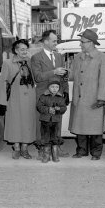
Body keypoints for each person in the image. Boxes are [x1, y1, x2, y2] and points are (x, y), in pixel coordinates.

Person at [69, 28, 105, 160]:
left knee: (95, 128)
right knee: (80, 126)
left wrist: (101, 98)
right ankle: (81, 151)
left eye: (83, 42)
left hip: (94, 99)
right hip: (79, 98)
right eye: (81, 42)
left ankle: (96, 153)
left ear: (92, 43)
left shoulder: (103, 57)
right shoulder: (77, 57)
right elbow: (72, 76)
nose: (80, 44)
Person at [31, 30, 70, 159]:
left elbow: (64, 77)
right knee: (43, 124)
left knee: (57, 121)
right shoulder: (36, 57)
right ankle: (42, 149)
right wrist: (54, 71)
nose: (56, 43)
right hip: (43, 96)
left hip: (57, 96)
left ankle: (56, 148)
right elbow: (37, 77)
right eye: (54, 41)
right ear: (46, 41)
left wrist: (65, 92)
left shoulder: (59, 56)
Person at [0, 39, 36, 159]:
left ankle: (25, 148)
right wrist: (2, 102)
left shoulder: (30, 62)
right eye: (22, 49)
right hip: (14, 99)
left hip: (29, 99)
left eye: (26, 49)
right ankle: (16, 148)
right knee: (15, 123)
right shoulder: (8, 63)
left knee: (28, 123)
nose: (25, 52)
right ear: (16, 50)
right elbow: (3, 82)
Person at [36, 80, 68, 163]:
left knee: (54, 138)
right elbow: (39, 106)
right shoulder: (43, 96)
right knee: (45, 138)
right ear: (48, 88)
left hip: (55, 121)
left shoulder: (60, 98)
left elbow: (64, 108)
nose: (55, 89)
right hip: (45, 121)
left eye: (57, 87)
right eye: (52, 87)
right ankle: (46, 156)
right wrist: (47, 109)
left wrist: (59, 109)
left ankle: (55, 155)